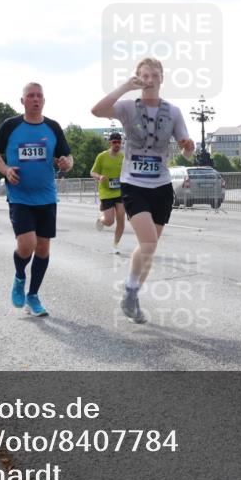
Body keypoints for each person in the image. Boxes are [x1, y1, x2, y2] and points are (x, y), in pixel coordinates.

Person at [91, 58, 195, 324]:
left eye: (154, 75)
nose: (149, 80)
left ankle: (132, 294)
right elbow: (97, 110)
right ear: (138, 79)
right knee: (148, 242)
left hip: (161, 185)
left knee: (149, 246)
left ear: (162, 79)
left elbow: (186, 150)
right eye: (144, 76)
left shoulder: (173, 111)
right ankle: (130, 291)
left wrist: (188, 147)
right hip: (134, 184)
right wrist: (125, 86)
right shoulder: (127, 107)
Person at [0, 82, 73, 317]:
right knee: (27, 245)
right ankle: (19, 276)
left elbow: (67, 156)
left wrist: (67, 162)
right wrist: (6, 170)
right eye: (31, 96)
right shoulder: (11, 126)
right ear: (22, 100)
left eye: (39, 96)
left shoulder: (53, 127)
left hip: (46, 196)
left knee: (43, 248)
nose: (36, 99)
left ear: (44, 101)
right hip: (20, 197)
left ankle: (33, 295)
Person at [90, 132, 127, 254]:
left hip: (119, 190)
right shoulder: (102, 156)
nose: (117, 144)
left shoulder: (123, 157)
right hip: (106, 191)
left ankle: (115, 245)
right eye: (114, 142)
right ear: (110, 143)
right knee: (110, 221)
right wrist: (99, 176)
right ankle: (101, 220)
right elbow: (92, 172)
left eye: (119, 142)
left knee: (121, 216)